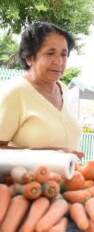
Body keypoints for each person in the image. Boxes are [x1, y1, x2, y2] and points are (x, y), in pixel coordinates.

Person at [0, 22, 83, 158]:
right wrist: (52, 155)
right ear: (29, 58)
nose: (59, 61)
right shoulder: (14, 92)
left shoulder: (63, 89)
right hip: (28, 178)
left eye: (64, 54)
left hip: (66, 178)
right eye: (50, 53)